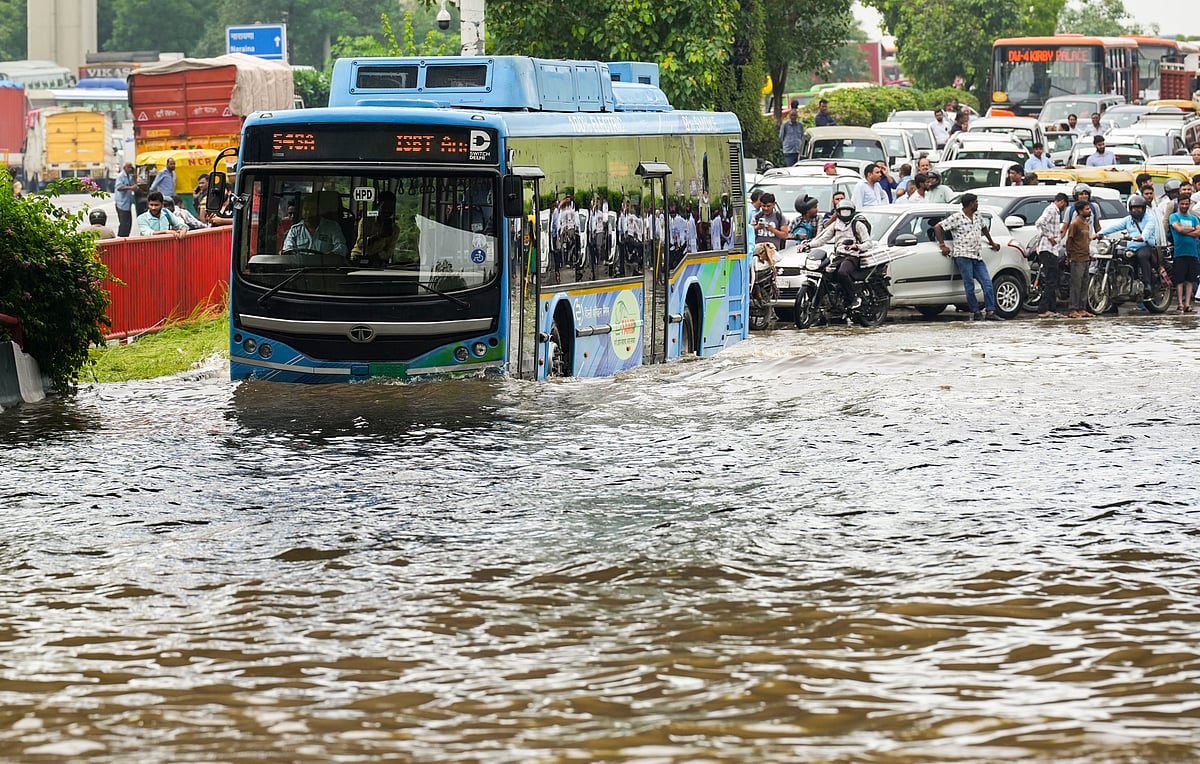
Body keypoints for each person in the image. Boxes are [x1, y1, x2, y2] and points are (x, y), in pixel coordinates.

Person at [934, 192, 1002, 321]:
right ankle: (975, 311)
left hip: (976, 255)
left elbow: (984, 228)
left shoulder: (977, 216)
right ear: (970, 204)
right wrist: (942, 245)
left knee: (987, 283)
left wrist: (992, 242)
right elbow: (938, 227)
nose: (977, 204)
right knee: (969, 284)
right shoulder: (957, 217)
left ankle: (990, 311)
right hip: (963, 255)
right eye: (976, 202)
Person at [804, 199, 874, 308]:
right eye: (842, 211)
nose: (845, 214)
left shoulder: (858, 225)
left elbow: (868, 243)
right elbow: (823, 239)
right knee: (825, 276)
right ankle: (817, 308)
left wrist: (857, 246)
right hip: (838, 256)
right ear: (838, 212)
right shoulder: (835, 225)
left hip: (852, 256)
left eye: (848, 211)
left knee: (842, 272)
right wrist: (808, 245)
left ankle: (853, 298)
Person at [1095, 194, 1159, 301]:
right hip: (1131, 247)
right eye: (1134, 208)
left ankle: (1148, 284)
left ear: (1143, 208)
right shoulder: (1128, 219)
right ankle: (1119, 283)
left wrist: (1142, 237)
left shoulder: (1150, 219)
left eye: (1139, 208)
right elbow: (1114, 226)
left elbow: (1148, 230)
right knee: (1115, 254)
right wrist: (1099, 233)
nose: (1136, 210)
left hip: (1145, 246)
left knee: (1142, 256)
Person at [1031, 193, 1069, 317]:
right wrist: (1049, 236)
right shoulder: (1052, 210)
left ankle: (1052, 309)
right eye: (1064, 205)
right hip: (1047, 249)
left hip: (1052, 250)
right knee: (1050, 280)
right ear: (1062, 202)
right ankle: (1043, 309)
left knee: (1054, 279)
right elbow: (1040, 223)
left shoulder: (1055, 211)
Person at [282, 194, 348, 255]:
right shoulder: (295, 230)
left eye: (312, 209)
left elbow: (342, 247)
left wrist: (330, 256)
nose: (308, 212)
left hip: (325, 266)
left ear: (320, 211)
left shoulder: (332, 227)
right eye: (305, 209)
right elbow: (288, 249)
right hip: (299, 266)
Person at [1169, 194, 1200, 313]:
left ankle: (1187, 303)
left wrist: (1185, 231)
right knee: (1179, 280)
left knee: (1190, 279)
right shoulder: (1174, 216)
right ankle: (1180, 304)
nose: (1184, 206)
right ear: (1178, 203)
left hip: (1192, 253)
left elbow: (1198, 232)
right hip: (1179, 252)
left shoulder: (1194, 218)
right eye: (1182, 204)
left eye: (1186, 204)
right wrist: (1192, 230)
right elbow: (1179, 229)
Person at [350, 190, 398, 265]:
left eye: (391, 208)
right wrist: (378, 236)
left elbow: (389, 251)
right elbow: (360, 243)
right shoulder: (366, 221)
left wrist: (374, 258)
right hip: (358, 257)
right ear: (378, 206)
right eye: (384, 207)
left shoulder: (395, 229)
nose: (387, 211)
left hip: (377, 261)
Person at [1064, 200, 1093, 318]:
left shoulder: (1086, 224)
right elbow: (1069, 240)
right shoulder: (1075, 224)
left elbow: (1085, 241)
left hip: (1086, 258)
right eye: (1087, 209)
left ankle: (1082, 308)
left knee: (1084, 284)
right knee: (1076, 285)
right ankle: (1073, 309)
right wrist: (1069, 255)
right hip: (1077, 258)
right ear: (1080, 211)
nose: (1089, 210)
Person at [114, 161, 136, 237]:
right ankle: (121, 238)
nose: (130, 169)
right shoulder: (121, 176)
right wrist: (131, 188)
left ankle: (126, 237)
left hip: (127, 203)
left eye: (131, 167)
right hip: (121, 204)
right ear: (125, 168)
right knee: (123, 223)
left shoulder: (129, 176)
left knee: (128, 223)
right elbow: (119, 187)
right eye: (129, 167)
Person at [780, 100, 804, 166]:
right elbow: (781, 137)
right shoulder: (785, 125)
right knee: (790, 168)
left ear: (797, 116)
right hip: (789, 152)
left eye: (795, 115)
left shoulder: (800, 125)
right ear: (790, 116)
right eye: (792, 115)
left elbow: (802, 137)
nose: (793, 117)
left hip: (798, 151)